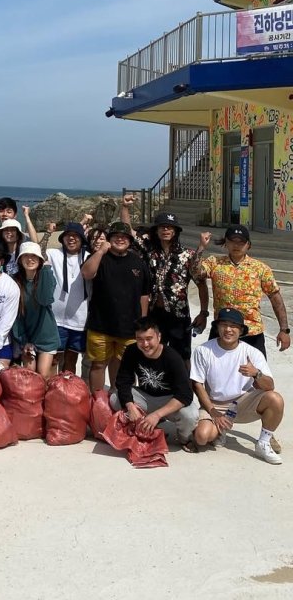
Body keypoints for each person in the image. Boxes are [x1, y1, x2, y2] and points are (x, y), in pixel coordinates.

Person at [120, 197, 210, 367]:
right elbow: (128, 231)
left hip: (178, 315)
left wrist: (203, 313)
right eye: (162, 227)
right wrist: (125, 207)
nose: (166, 230)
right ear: (156, 230)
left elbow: (201, 283)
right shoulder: (149, 250)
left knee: (182, 357)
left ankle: (183, 391)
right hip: (154, 313)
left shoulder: (188, 255)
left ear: (175, 231)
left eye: (169, 227)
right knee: (151, 353)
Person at [190, 308, 283, 464]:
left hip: (242, 403)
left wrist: (256, 373)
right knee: (201, 437)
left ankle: (264, 442)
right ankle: (220, 431)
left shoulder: (252, 352)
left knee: (275, 399)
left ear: (241, 330)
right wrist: (213, 412)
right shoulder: (203, 350)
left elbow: (269, 386)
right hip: (215, 404)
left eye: (233, 326)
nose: (228, 329)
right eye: (223, 325)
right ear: (217, 327)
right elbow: (197, 385)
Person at [196, 225, 290, 357]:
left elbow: (275, 298)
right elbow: (196, 272)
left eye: (241, 242)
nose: (237, 245)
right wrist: (201, 247)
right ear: (225, 243)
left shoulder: (261, 268)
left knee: (256, 374)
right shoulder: (214, 263)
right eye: (232, 241)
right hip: (222, 330)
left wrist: (284, 330)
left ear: (248, 245)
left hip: (251, 332)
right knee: (215, 374)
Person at [82, 222, 151, 393]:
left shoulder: (139, 262)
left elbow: (144, 295)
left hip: (129, 326)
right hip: (100, 324)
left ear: (130, 240)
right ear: (109, 239)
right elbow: (86, 273)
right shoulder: (99, 257)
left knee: (123, 366)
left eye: (124, 237)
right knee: (98, 364)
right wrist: (100, 251)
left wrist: (142, 321)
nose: (120, 239)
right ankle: (98, 402)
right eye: (116, 236)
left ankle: (118, 399)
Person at [111, 317, 198, 448]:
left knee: (190, 415)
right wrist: (130, 407)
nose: (145, 344)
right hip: (146, 397)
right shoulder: (132, 351)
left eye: (149, 339)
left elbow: (185, 394)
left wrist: (157, 414)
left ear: (159, 336)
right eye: (140, 339)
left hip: (170, 399)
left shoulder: (173, 357)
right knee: (115, 399)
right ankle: (146, 427)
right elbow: (123, 381)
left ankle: (183, 438)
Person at [45, 222, 89, 375]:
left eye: (76, 236)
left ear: (82, 239)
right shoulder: (53, 254)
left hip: (79, 319)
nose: (71, 239)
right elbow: (36, 251)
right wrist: (47, 233)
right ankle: (51, 391)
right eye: (68, 235)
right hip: (56, 319)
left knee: (71, 358)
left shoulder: (89, 258)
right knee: (54, 358)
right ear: (62, 238)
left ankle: (66, 392)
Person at [12, 242, 60, 378]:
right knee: (30, 376)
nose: (30, 259)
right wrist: (24, 340)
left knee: (43, 375)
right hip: (26, 334)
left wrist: (45, 268)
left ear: (40, 259)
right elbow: (15, 315)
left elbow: (44, 299)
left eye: (34, 256)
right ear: (20, 260)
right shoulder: (14, 281)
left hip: (46, 336)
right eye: (25, 256)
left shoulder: (47, 276)